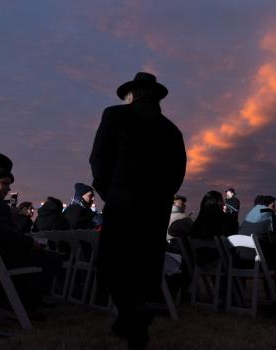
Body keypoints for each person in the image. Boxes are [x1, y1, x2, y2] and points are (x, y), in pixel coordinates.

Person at [90, 72, 186, 349]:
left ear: (132, 94)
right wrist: (162, 198)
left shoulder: (114, 115)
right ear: (155, 97)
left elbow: (98, 158)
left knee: (115, 263)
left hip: (121, 203)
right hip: (155, 209)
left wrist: (110, 192)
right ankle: (133, 319)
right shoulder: (171, 129)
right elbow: (178, 171)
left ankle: (130, 319)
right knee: (145, 265)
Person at [0, 153, 61, 311]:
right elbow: (1, 233)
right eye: (5, 184)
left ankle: (14, 300)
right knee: (52, 258)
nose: (8, 189)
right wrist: (29, 243)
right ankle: (25, 304)